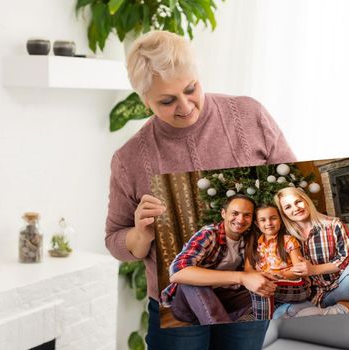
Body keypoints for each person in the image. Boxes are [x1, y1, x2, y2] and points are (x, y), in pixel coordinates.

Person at [105, 30, 296, 350]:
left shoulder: (249, 116)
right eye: (166, 101)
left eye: (191, 89)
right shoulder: (129, 159)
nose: (185, 106)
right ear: (144, 100)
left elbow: (291, 187)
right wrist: (141, 234)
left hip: (249, 300)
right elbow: (115, 239)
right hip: (177, 312)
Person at [160, 195, 279, 325]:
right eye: (235, 213)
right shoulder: (209, 234)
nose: (240, 220)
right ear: (223, 213)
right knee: (190, 279)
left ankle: (241, 321)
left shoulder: (249, 239)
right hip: (188, 305)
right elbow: (177, 272)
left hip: (223, 299)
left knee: (264, 289)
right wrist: (241, 277)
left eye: (247, 215)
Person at [274, 187, 349, 312]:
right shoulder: (286, 237)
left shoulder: (333, 225)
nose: (296, 208)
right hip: (310, 296)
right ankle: (345, 308)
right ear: (284, 213)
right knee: (284, 314)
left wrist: (313, 270)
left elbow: (345, 260)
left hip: (339, 287)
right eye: (288, 207)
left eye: (298, 202)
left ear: (306, 200)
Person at [244, 203, 349, 320]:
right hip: (275, 289)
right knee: (259, 284)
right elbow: (248, 271)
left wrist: (280, 275)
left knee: (264, 284)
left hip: (297, 287)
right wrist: (261, 277)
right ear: (257, 223)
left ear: (280, 220)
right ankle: (258, 318)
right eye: (263, 220)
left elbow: (299, 270)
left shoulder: (288, 240)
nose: (268, 223)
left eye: (273, 218)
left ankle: (261, 325)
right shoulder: (254, 245)